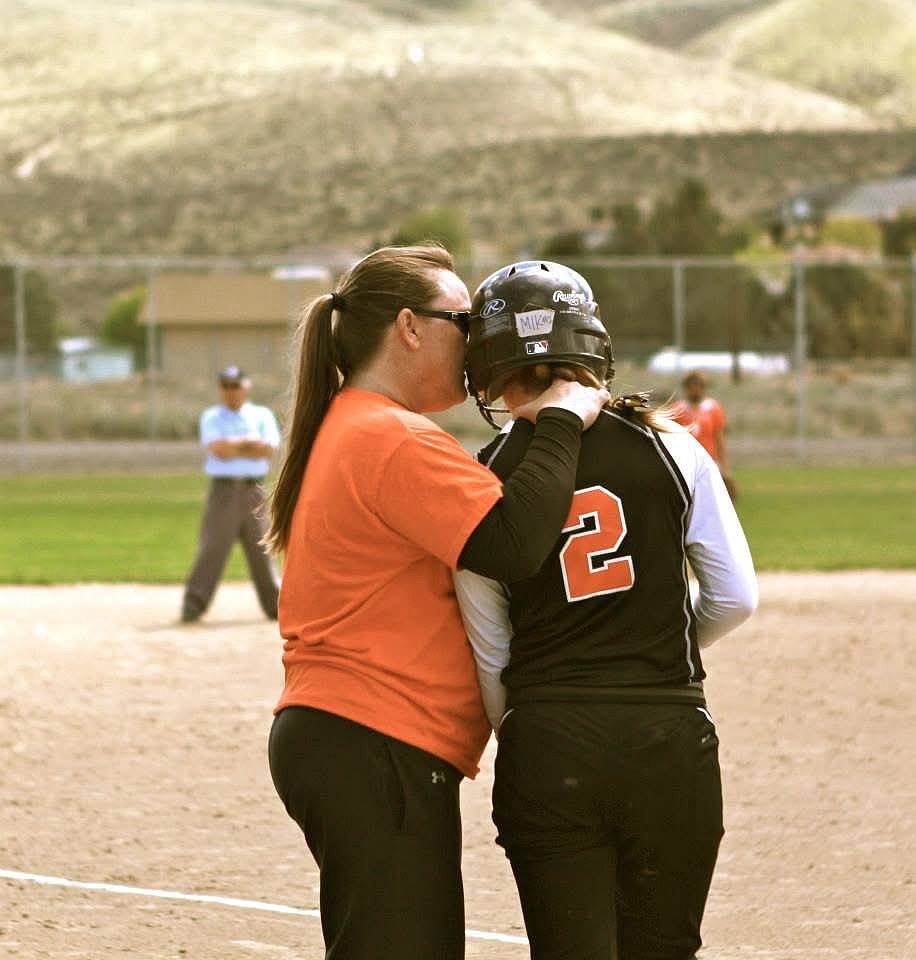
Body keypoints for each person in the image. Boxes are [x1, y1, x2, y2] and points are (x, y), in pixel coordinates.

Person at [263, 245, 609, 960]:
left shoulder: (358, 424)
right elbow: (516, 543)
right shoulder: (392, 437)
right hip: (372, 737)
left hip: (350, 736)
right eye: (464, 319)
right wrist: (564, 416)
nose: (479, 339)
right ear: (410, 328)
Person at [454, 260, 758, 960]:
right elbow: (735, 597)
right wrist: (652, 647)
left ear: (491, 363)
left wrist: (541, 719)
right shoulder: (674, 447)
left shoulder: (480, 475)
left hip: (549, 739)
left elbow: (492, 654)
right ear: (591, 344)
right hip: (666, 733)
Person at [180, 365, 281, 623]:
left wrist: (235, 445)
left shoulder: (261, 414)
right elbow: (218, 449)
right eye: (226, 386)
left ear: (246, 387)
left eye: (235, 385)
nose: (231, 391)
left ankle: (277, 608)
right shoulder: (212, 416)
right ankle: (193, 607)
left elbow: (267, 449)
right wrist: (248, 444)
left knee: (263, 550)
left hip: (253, 490)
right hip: (223, 491)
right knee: (212, 549)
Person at [673, 369, 737, 501]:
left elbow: (719, 438)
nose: (696, 390)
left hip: (709, 461)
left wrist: (725, 468)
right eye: (693, 386)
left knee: (710, 499)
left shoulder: (713, 408)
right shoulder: (677, 409)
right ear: (687, 388)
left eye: (699, 386)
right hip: (685, 462)